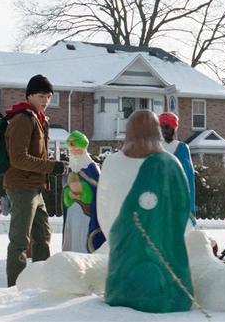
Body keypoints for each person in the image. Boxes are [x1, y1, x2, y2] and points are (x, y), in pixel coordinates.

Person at [99, 110, 194, 313]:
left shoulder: (112, 162)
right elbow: (182, 206)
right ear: (157, 131)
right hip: (165, 242)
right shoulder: (170, 163)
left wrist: (115, 236)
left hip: (122, 244)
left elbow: (103, 205)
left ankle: (125, 294)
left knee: (126, 278)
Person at [3, 74, 66, 287]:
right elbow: (18, 158)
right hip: (21, 186)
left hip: (36, 187)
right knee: (20, 241)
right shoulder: (22, 119)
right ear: (29, 95)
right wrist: (50, 166)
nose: (46, 100)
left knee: (43, 235)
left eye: (49, 96)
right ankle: (15, 288)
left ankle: (41, 284)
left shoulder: (39, 119)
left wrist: (52, 165)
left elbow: (36, 155)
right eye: (41, 95)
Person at [61, 130, 103, 253]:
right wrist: (69, 193)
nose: (73, 152)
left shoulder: (91, 167)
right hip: (72, 209)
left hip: (86, 211)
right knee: (73, 232)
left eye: (76, 149)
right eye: (71, 149)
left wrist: (83, 190)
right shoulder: (72, 167)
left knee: (82, 231)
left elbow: (96, 188)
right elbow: (65, 187)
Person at [159, 111, 196, 225]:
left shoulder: (181, 148)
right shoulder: (155, 147)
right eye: (161, 127)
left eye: (167, 127)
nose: (164, 130)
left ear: (174, 128)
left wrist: (189, 209)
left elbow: (188, 180)